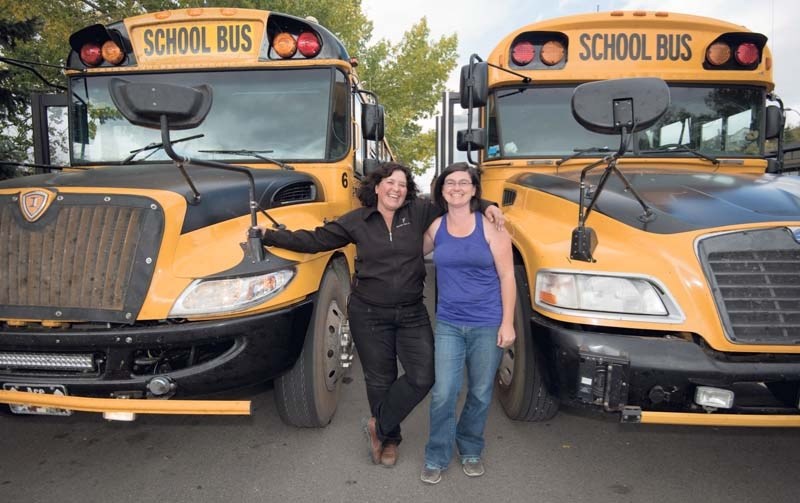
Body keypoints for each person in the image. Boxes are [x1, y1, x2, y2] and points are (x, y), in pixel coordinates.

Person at [258, 162, 504, 468]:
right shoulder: (356, 221)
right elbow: (315, 240)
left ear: (407, 192)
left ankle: (378, 424)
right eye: (390, 183)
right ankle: (389, 439)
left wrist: (489, 205)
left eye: (402, 185)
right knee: (379, 378)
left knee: (424, 375)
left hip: (412, 311)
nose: (396, 189)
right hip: (369, 313)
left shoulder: (419, 213)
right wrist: (269, 235)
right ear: (376, 187)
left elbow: (454, 198)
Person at [420, 162, 516, 484]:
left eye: (464, 182)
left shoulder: (491, 228)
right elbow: (407, 254)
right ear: (442, 189)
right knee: (444, 392)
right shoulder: (435, 229)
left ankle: (471, 447)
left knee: (480, 392)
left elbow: (507, 277)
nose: (457, 187)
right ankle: (436, 454)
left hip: (487, 323)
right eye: (450, 182)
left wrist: (508, 323)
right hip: (448, 323)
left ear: (474, 189)